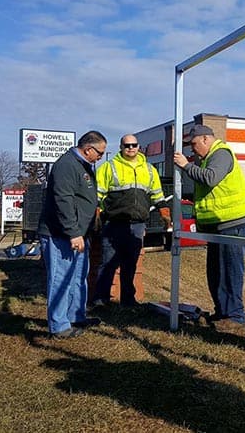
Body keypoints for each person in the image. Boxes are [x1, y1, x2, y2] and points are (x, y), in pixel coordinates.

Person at [174, 125, 245, 331]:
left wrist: (185, 166)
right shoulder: (208, 158)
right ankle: (223, 312)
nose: (192, 150)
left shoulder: (221, 154)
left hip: (234, 222)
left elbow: (210, 178)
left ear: (206, 139)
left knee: (230, 270)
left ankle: (235, 316)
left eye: (193, 144)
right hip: (220, 224)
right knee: (216, 271)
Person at [37, 130, 107, 339]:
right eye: (100, 153)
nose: (101, 157)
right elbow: (63, 201)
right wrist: (73, 233)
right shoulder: (67, 165)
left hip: (79, 233)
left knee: (78, 277)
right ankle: (59, 326)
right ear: (88, 149)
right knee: (61, 279)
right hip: (61, 235)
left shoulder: (83, 166)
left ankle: (76, 316)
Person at [92, 134, 171, 308]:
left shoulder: (149, 169)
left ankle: (128, 300)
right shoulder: (108, 167)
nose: (130, 148)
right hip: (113, 223)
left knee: (130, 265)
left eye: (134, 145)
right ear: (121, 147)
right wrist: (96, 214)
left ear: (138, 147)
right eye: (127, 145)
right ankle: (100, 299)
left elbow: (157, 195)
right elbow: (97, 194)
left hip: (137, 225)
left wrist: (165, 213)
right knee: (107, 263)